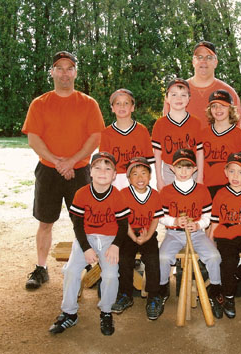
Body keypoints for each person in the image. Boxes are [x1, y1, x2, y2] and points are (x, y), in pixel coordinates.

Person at [22, 51, 105, 290]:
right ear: (52, 72)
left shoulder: (88, 103)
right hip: (48, 170)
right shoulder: (40, 103)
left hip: (79, 171)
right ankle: (41, 268)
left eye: (69, 68)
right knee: (45, 221)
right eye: (60, 68)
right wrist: (59, 163)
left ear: (75, 72)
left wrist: (71, 162)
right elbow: (34, 139)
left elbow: (94, 138)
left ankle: (93, 266)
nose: (65, 73)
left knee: (85, 220)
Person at [48, 152, 130, 336]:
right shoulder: (82, 193)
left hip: (110, 239)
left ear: (115, 175)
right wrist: (85, 248)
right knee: (71, 270)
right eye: (97, 167)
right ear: (90, 172)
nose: (103, 172)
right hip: (86, 237)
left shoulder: (117, 196)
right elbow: (77, 224)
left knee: (110, 275)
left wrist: (116, 245)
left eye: (108, 168)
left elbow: (123, 225)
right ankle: (69, 312)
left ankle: (106, 311)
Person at [158, 148, 224, 319]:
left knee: (214, 256)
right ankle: (161, 290)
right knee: (163, 257)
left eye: (188, 167)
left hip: (197, 234)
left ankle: (215, 292)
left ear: (195, 169)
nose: (184, 171)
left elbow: (208, 216)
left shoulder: (202, 190)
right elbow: (160, 217)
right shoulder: (166, 191)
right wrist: (173, 221)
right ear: (172, 168)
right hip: (173, 233)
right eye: (179, 167)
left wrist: (198, 224)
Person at [209, 152, 241, 319]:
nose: (236, 176)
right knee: (229, 262)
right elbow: (215, 221)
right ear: (225, 172)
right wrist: (210, 240)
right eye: (232, 171)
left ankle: (233, 278)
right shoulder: (220, 193)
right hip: (226, 237)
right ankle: (229, 298)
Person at [112, 157, 164, 320]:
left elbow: (155, 219)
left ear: (150, 176)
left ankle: (154, 296)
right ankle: (125, 294)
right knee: (124, 258)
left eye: (144, 173)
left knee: (153, 259)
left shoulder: (155, 195)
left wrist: (147, 236)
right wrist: (134, 238)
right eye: (134, 174)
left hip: (148, 232)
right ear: (128, 178)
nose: (140, 178)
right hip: (127, 233)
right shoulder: (123, 194)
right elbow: (123, 221)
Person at [164, 41, 241, 127]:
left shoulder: (228, 92)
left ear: (216, 62)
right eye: (199, 57)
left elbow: (235, 130)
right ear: (193, 61)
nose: (204, 61)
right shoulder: (177, 92)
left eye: (209, 57)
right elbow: (167, 127)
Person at [152, 78, 204, 190]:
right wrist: (159, 179)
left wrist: (200, 177)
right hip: (170, 170)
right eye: (174, 94)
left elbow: (199, 152)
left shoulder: (196, 123)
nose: (179, 98)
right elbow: (157, 155)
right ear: (167, 98)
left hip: (191, 170)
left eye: (183, 95)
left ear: (189, 98)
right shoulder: (160, 124)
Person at [100, 88, 154, 190]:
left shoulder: (142, 130)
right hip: (115, 179)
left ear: (132, 107)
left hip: (138, 178)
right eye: (118, 103)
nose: (122, 106)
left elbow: (149, 160)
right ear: (112, 108)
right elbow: (104, 163)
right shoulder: (106, 133)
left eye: (126, 103)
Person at [200, 89, 241, 198]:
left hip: (230, 187)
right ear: (209, 110)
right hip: (206, 187)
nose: (218, 109)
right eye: (214, 106)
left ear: (230, 109)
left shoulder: (238, 133)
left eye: (223, 105)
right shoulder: (203, 133)